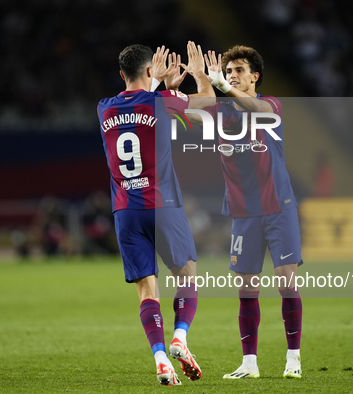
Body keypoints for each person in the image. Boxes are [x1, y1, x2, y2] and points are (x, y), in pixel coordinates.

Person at [96, 42, 215, 386]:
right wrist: (196, 75)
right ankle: (180, 337)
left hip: (125, 210)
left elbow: (137, 108)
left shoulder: (104, 108)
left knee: (148, 291)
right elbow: (205, 104)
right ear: (151, 71)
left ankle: (161, 359)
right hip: (162, 205)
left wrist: (160, 84)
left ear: (122, 74)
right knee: (187, 277)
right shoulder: (161, 102)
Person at [186, 46, 304, 379]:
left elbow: (258, 107)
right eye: (229, 70)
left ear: (255, 76)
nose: (234, 74)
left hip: (279, 208)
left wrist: (223, 86)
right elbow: (183, 110)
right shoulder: (222, 114)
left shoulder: (270, 106)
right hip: (243, 213)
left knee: (286, 283)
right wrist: (197, 80)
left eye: (240, 69)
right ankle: (249, 363)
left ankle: (293, 359)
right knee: (247, 290)